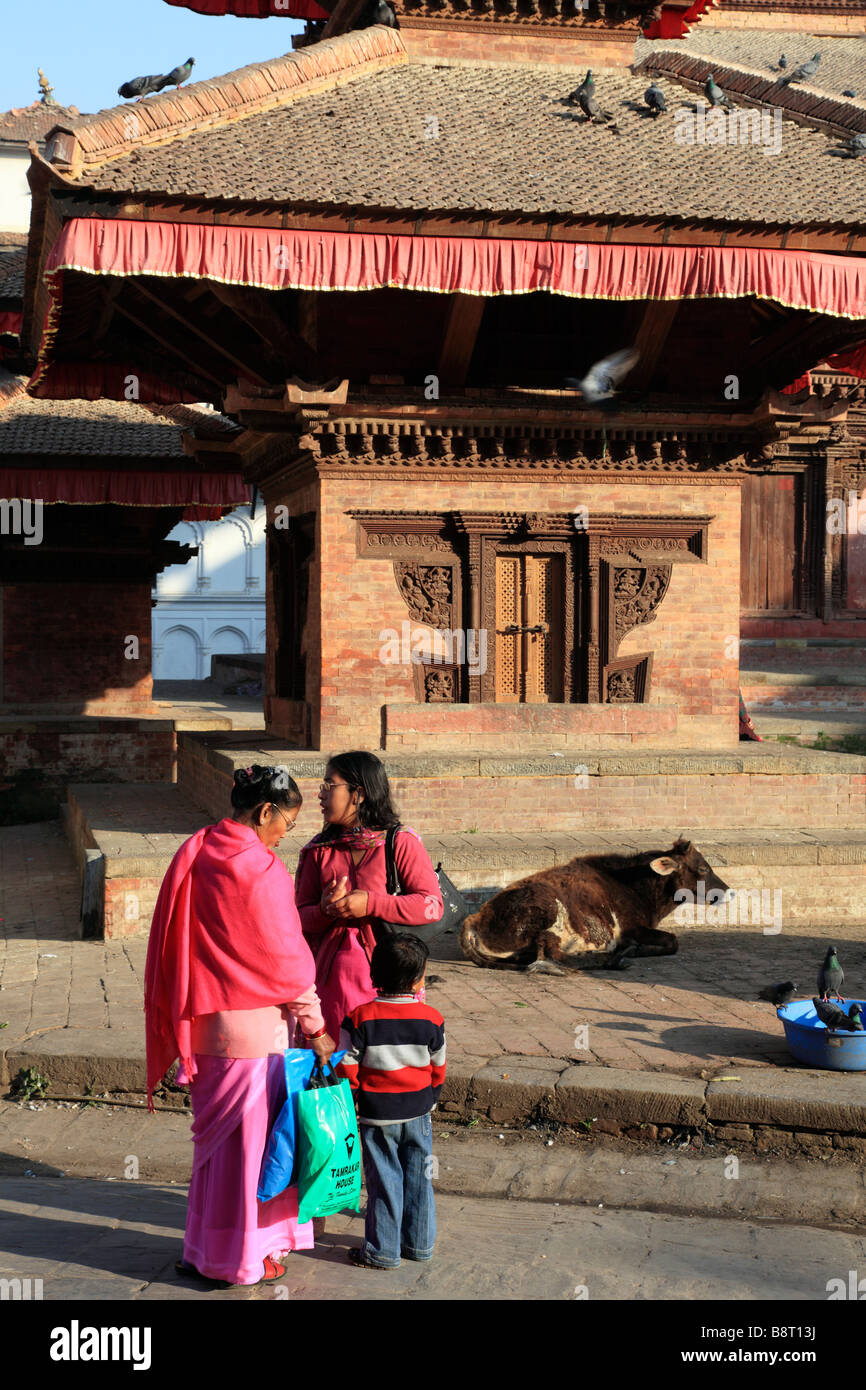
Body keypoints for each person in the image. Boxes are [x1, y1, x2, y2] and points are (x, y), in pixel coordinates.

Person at [144, 764, 335, 1288]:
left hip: (206, 1028)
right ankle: (245, 1257)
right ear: (265, 811)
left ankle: (202, 1249)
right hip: (255, 1036)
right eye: (284, 825)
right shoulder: (260, 870)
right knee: (252, 1154)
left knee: (215, 1154)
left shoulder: (197, 851)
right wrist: (317, 1028)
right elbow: (289, 965)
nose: (282, 837)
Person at [294, 750, 442, 1042]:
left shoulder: (399, 843)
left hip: (391, 984)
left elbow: (431, 906)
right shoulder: (318, 851)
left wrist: (371, 904)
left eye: (329, 785)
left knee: (383, 1069)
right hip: (330, 988)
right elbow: (298, 918)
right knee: (337, 1069)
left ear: (357, 794)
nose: (321, 795)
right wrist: (324, 911)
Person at [336, 933, 446, 1269]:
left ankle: (383, 1251)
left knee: (384, 1181)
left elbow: (347, 1066)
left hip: (376, 1114)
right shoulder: (432, 1018)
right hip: (418, 1113)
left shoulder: (358, 1018)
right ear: (417, 980)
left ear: (374, 976)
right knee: (419, 1177)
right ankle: (419, 1244)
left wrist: (354, 1099)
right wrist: (431, 1099)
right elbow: (437, 1067)